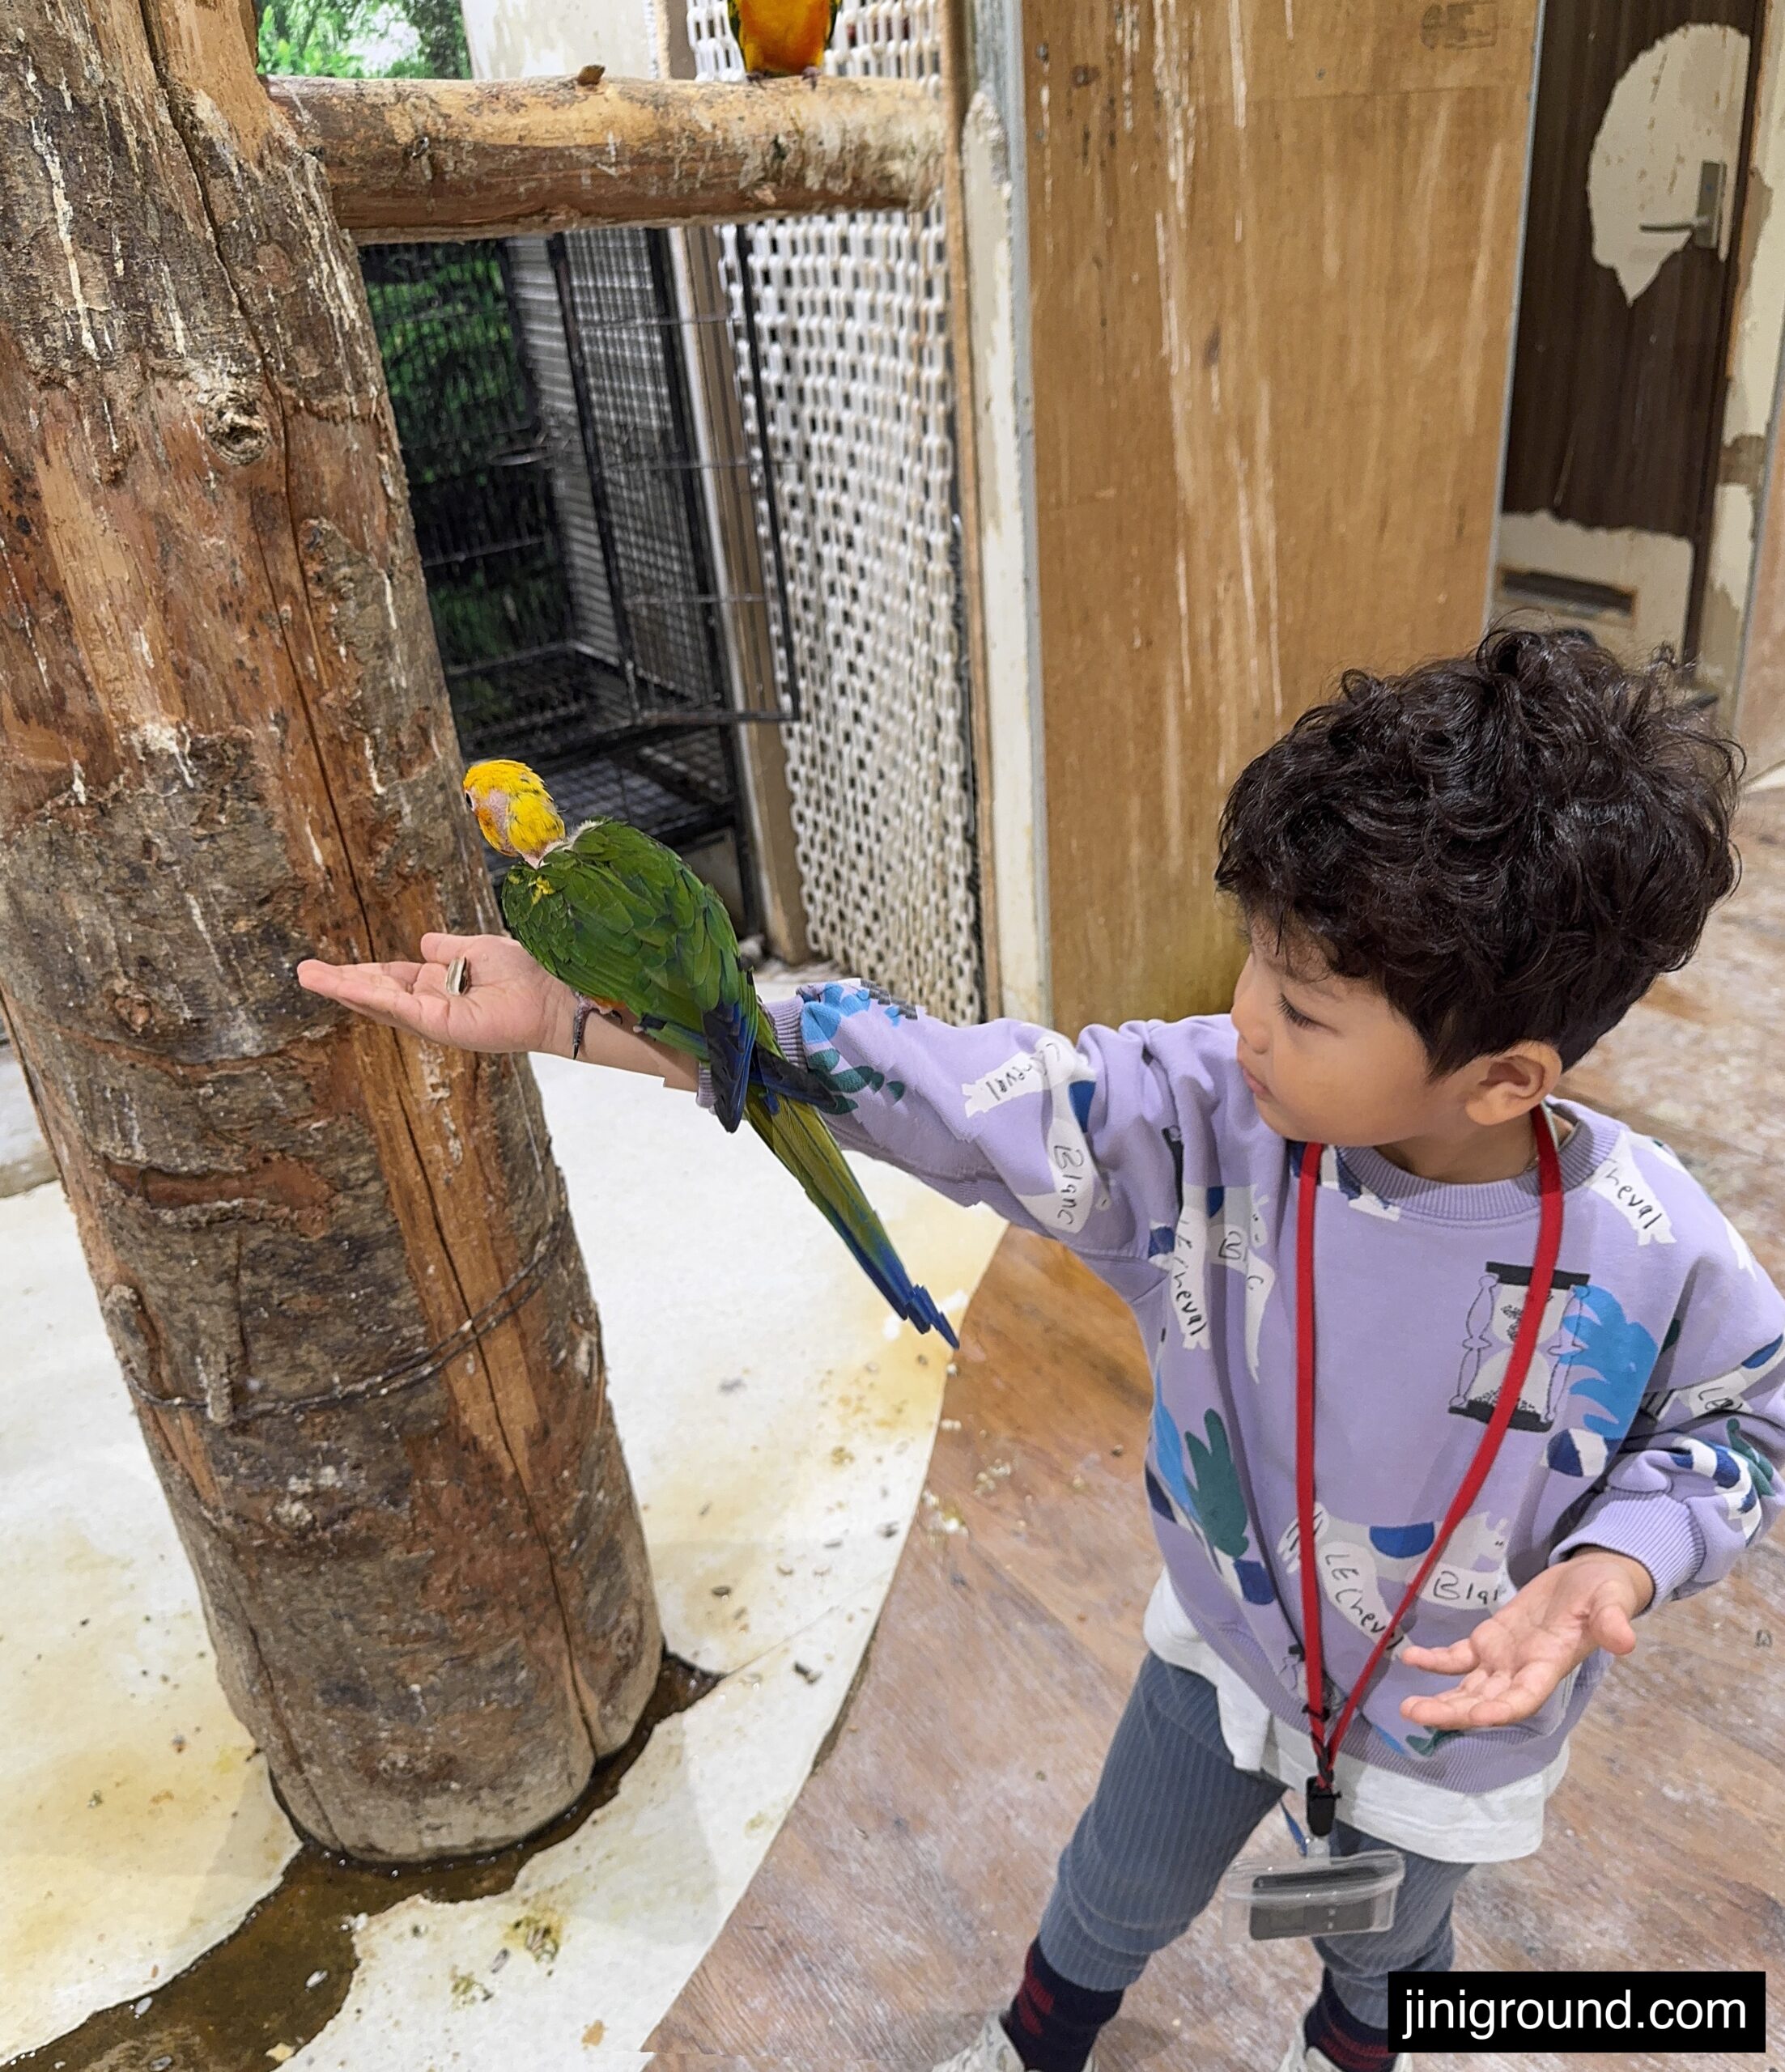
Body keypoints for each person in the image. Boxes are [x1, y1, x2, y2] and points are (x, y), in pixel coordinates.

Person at [299, 627, 1785, 2072]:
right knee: (1111, 1886)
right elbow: (941, 1087)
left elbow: (1747, 1421)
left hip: (1449, 1729)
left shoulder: (1652, 1244)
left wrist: (1621, 1560)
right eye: (1253, 966)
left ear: (1503, 1076)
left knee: (1390, 1959)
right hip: (1218, 1651)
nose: (1244, 1021)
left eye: (1305, 1006)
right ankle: (1037, 2043)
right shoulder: (1203, 1117)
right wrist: (580, 1018)